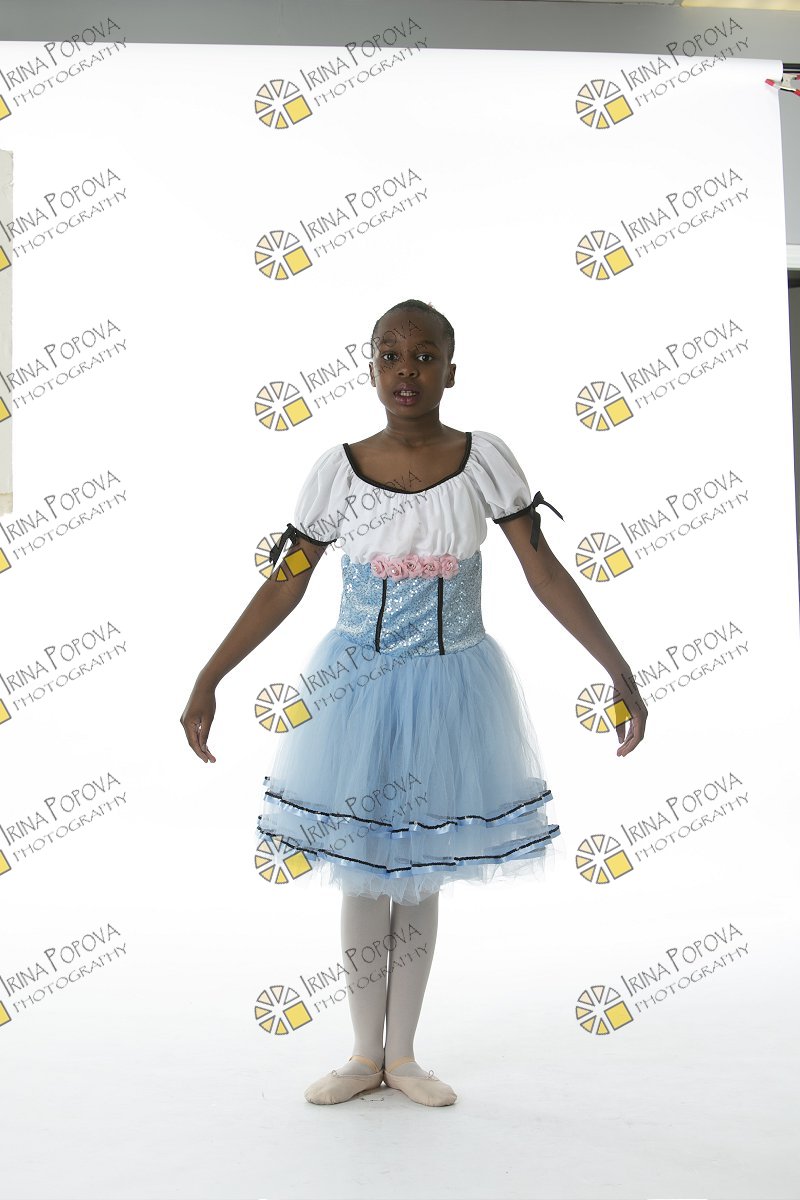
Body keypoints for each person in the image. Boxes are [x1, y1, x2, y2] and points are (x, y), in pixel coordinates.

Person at [180, 299, 647, 1109]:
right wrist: (210, 674)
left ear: (451, 371)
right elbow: (287, 582)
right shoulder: (338, 469)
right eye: (390, 355)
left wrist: (618, 668)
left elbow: (542, 570)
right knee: (364, 874)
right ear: (370, 369)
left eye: (425, 356)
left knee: (421, 872)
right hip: (355, 693)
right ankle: (364, 1054)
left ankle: (405, 1056)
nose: (407, 370)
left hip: (451, 687)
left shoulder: (484, 460)